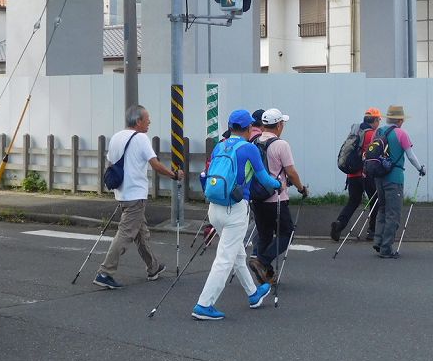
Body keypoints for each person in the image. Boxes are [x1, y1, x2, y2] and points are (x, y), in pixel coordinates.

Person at [192, 109, 279, 321]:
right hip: (236, 209)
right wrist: (278, 184)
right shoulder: (248, 149)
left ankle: (253, 294)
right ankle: (204, 304)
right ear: (249, 128)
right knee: (224, 259)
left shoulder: (219, 146)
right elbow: (264, 179)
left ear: (230, 127)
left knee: (236, 253)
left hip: (215, 208)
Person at [93, 104, 182, 290]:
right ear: (138, 121)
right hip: (136, 194)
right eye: (147, 119)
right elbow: (155, 164)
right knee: (126, 233)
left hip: (123, 193)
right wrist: (174, 175)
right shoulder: (141, 138)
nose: (149, 122)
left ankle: (153, 267)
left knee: (141, 233)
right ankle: (105, 272)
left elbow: (111, 163)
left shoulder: (116, 137)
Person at [248, 107, 308, 284]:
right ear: (279, 124)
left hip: (257, 197)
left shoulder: (254, 143)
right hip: (276, 198)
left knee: (265, 234)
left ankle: (267, 273)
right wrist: (301, 188)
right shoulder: (281, 145)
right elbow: (291, 172)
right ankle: (262, 261)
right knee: (286, 233)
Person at [371, 105, 425, 259]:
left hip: (379, 177)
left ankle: (379, 241)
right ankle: (386, 249)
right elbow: (410, 156)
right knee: (393, 214)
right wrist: (420, 168)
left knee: (382, 209)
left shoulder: (378, 131)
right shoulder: (401, 134)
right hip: (394, 178)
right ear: (400, 120)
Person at [330, 108, 382, 242]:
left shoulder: (355, 132)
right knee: (375, 200)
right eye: (379, 120)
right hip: (365, 174)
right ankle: (372, 231)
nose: (379, 123)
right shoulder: (371, 135)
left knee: (353, 201)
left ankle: (339, 224)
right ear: (375, 121)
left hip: (352, 175)